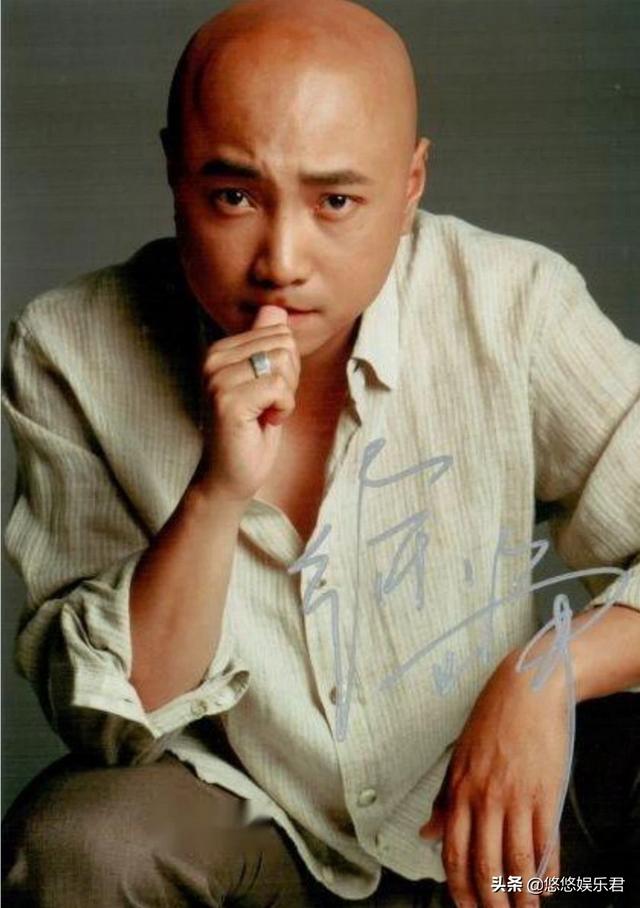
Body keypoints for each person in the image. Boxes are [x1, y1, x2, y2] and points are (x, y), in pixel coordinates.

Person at [2, 0, 639, 905]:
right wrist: (217, 492)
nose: (281, 260)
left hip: (498, 849)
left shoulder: (513, 304)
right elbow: (116, 718)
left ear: (411, 183)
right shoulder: (70, 349)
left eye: (336, 201)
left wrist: (547, 674)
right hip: (257, 845)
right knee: (89, 840)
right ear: (174, 171)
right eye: (234, 196)